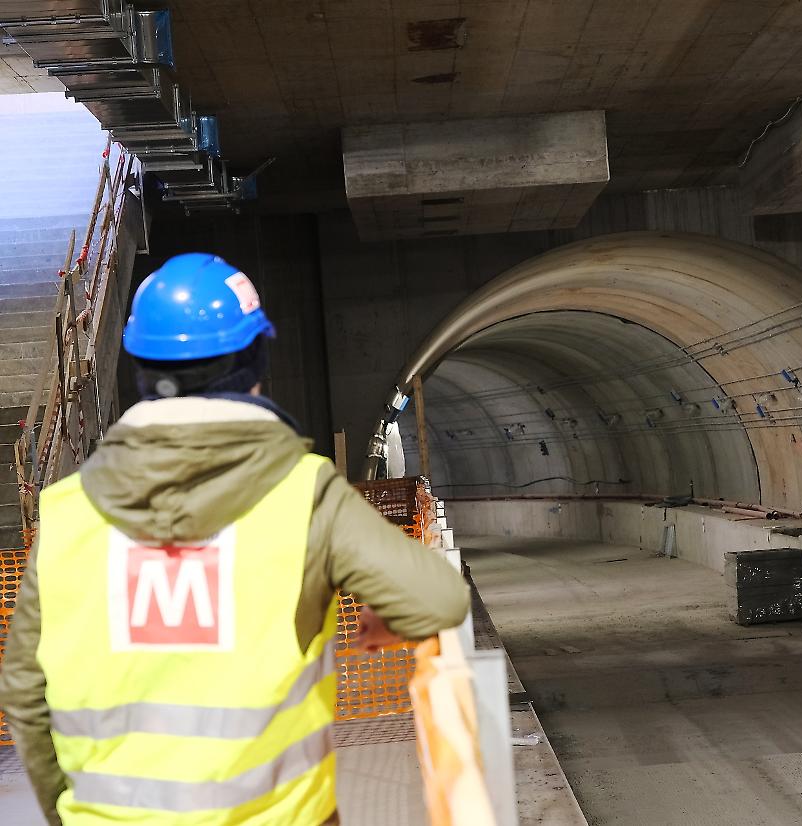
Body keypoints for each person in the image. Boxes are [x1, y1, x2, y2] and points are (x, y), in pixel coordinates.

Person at [0, 253, 470, 825]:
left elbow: (24, 691)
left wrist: (67, 814)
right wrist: (387, 616)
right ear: (255, 362)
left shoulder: (69, 513)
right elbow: (439, 598)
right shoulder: (302, 493)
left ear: (141, 370)